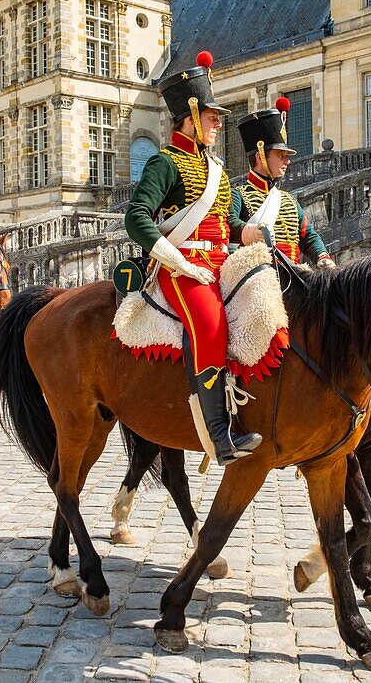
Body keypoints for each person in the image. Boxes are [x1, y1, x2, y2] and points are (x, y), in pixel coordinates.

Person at [124, 50, 263, 467]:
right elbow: (137, 216)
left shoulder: (216, 169)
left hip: (222, 262)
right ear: (189, 116)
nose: (219, 124)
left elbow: (225, 223)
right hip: (181, 267)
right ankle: (219, 436)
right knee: (210, 325)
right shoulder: (165, 163)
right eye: (212, 117)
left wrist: (249, 232)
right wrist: (179, 263)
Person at [232, 99, 336, 269]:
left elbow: (307, 235)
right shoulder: (238, 195)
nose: (288, 161)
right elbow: (229, 226)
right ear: (260, 157)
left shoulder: (288, 200)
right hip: (257, 275)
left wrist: (321, 255)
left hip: (293, 275)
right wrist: (251, 232)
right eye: (281, 155)